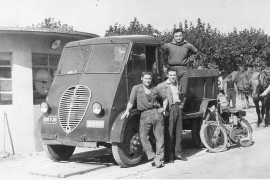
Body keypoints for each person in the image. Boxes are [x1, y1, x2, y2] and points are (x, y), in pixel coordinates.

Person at [121, 71, 168, 168]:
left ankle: (159, 158)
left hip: (157, 114)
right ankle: (152, 156)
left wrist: (163, 108)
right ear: (142, 78)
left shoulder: (155, 89)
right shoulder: (136, 88)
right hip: (144, 115)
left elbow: (165, 98)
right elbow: (131, 101)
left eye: (149, 79)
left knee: (160, 138)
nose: (148, 80)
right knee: (143, 137)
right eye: (146, 78)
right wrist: (127, 111)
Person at [157, 67, 187, 163]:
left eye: (174, 75)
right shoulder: (162, 85)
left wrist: (181, 105)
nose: (173, 77)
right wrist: (162, 108)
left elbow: (182, 96)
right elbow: (156, 97)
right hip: (169, 110)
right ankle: (169, 156)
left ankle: (177, 153)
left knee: (179, 133)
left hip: (178, 108)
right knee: (169, 133)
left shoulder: (179, 84)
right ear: (167, 75)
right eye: (171, 75)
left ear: (176, 76)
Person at [162, 29, 198, 98]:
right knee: (172, 90)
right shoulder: (168, 45)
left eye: (180, 36)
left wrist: (190, 60)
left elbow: (195, 52)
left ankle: (181, 107)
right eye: (176, 36)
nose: (178, 38)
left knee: (183, 91)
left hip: (183, 69)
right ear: (173, 37)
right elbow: (161, 52)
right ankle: (173, 107)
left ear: (183, 36)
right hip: (172, 69)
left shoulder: (188, 45)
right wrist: (164, 64)